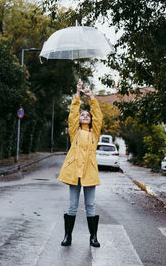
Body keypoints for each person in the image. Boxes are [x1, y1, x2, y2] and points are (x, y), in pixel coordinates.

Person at [57, 80, 103, 248]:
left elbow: (99, 117)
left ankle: (93, 237)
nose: (85, 116)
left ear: (90, 120)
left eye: (87, 115)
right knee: (72, 205)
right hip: (74, 172)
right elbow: (72, 116)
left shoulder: (94, 134)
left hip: (89, 173)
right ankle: (67, 236)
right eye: (83, 115)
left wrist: (92, 98)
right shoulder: (74, 132)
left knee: (90, 205)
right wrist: (77, 94)